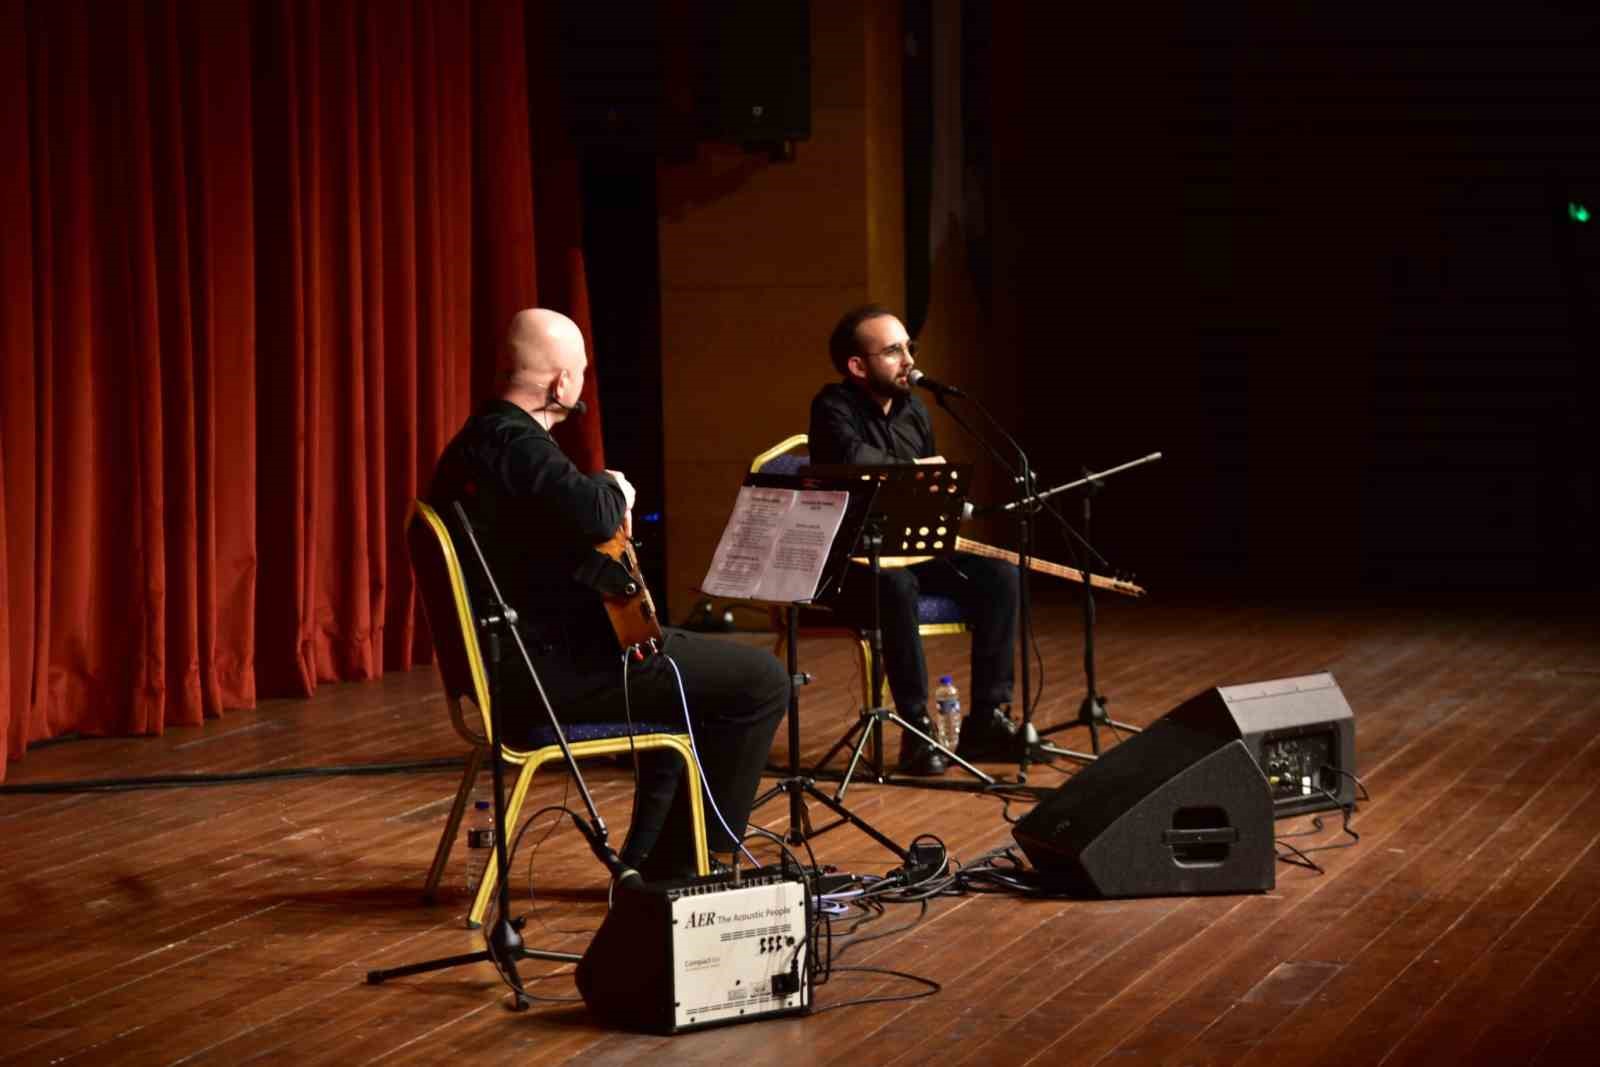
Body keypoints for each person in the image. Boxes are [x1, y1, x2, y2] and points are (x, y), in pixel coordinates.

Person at [428, 308, 787, 878]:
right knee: (761, 682)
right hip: (547, 680)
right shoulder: (515, 444)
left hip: (531, 662)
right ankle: (702, 861)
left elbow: (544, 549)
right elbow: (596, 512)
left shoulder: (483, 443)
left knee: (683, 682)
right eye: (582, 373)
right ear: (562, 384)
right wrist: (612, 485)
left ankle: (656, 861)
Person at [808, 304, 1020, 775]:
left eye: (909, 347)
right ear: (857, 366)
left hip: (911, 550)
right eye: (892, 351)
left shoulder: (915, 410)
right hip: (852, 564)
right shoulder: (831, 407)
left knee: (1000, 576)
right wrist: (917, 475)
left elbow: (925, 491)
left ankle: (988, 717)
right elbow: (856, 460)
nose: (908, 360)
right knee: (897, 586)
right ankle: (917, 728)